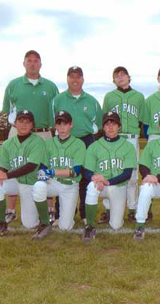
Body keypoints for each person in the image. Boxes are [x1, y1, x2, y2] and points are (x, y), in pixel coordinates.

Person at [2, 50, 59, 224]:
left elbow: (56, 111)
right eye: (29, 61)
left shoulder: (50, 86)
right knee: (13, 166)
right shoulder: (13, 85)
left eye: (36, 61)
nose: (33, 63)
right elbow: (7, 110)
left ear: (41, 64)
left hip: (43, 132)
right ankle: (10, 210)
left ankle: (50, 208)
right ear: (24, 63)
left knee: (45, 168)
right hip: (18, 131)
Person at [50, 66, 102, 224]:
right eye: (71, 76)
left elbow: (98, 124)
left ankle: (85, 213)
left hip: (86, 140)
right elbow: (53, 121)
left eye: (78, 76)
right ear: (67, 79)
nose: (74, 79)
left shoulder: (92, 101)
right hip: (65, 140)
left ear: (83, 79)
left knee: (85, 176)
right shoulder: (58, 100)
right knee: (62, 175)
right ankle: (62, 213)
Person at [82, 112, 137, 242]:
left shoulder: (128, 146)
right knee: (91, 187)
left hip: (117, 185)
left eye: (114, 123)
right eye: (107, 124)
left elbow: (127, 174)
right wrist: (96, 179)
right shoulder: (94, 146)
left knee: (116, 226)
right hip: (99, 184)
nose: (110, 127)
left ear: (119, 126)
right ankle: (89, 226)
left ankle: (110, 209)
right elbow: (86, 171)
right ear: (103, 127)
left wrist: (107, 181)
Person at [100, 66, 145, 224]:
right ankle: (108, 209)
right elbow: (104, 119)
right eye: (116, 76)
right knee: (110, 171)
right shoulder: (110, 96)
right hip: (114, 137)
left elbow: (142, 119)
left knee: (132, 176)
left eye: (123, 74)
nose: (120, 77)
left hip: (132, 138)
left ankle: (132, 209)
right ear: (114, 80)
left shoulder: (138, 97)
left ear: (128, 77)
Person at [0, 110, 50, 239]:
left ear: (32, 125)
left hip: (31, 183)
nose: (24, 125)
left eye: (28, 122)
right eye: (21, 121)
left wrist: (6, 176)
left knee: (29, 224)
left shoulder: (38, 142)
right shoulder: (8, 144)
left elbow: (31, 166)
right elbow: (3, 166)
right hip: (16, 181)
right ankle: (0, 222)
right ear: (15, 123)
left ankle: (45, 222)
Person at [32, 111, 86, 231]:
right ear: (55, 126)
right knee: (38, 186)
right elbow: (42, 166)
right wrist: (43, 175)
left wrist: (51, 172)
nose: (62, 127)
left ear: (71, 125)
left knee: (65, 227)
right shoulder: (49, 143)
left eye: (65, 124)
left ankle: (65, 218)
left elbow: (75, 171)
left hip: (70, 185)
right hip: (53, 183)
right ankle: (45, 221)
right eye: (59, 124)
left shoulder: (79, 144)